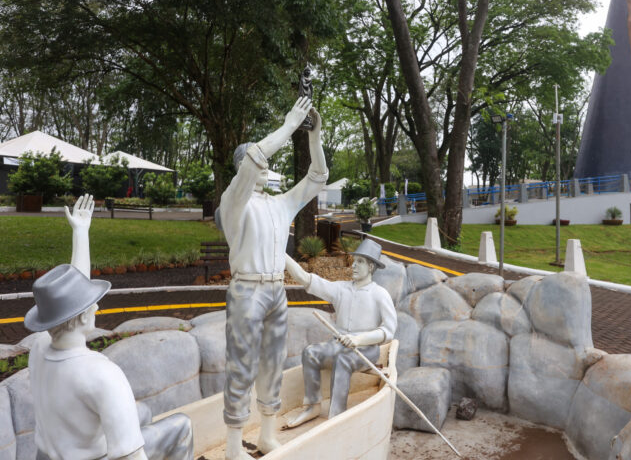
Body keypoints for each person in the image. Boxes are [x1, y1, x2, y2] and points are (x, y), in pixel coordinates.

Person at [26, 194, 193, 460]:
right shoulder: (102, 373)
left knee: (144, 413)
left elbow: (70, 296)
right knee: (182, 425)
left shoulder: (38, 348)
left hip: (48, 454)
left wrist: (81, 233)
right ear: (81, 317)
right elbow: (131, 456)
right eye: (92, 304)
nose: (97, 307)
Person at [217, 96, 328, 460]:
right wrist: (289, 125)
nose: (265, 167)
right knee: (241, 366)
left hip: (276, 292)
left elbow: (318, 177)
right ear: (243, 170)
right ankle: (234, 448)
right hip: (247, 291)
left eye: (267, 164)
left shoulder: (280, 204)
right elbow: (254, 159)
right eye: (258, 163)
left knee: (273, 364)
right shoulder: (234, 203)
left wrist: (315, 136)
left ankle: (266, 436)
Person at [282, 238, 396, 428]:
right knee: (311, 352)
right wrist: (282, 255)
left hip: (366, 350)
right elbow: (305, 278)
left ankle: (336, 415)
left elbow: (389, 331)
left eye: (360, 262)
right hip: (339, 344)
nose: (354, 266)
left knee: (343, 359)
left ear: (371, 267)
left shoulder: (379, 294)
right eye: (354, 260)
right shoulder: (341, 288)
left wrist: (359, 339)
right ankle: (313, 406)